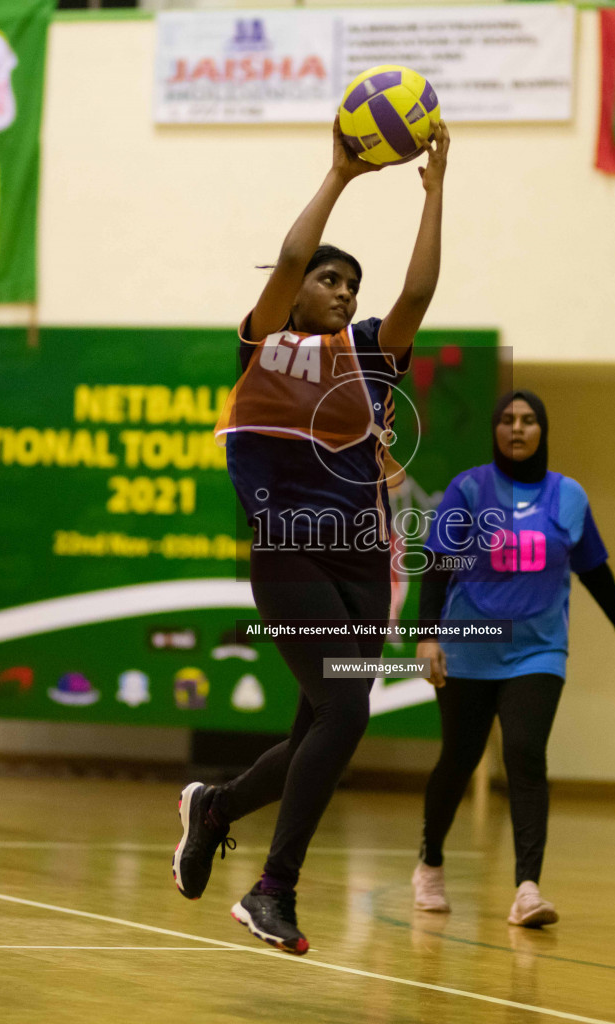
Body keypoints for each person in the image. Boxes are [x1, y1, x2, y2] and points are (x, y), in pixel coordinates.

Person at [170, 118, 451, 955]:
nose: (343, 292)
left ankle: (214, 807)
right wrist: (340, 176)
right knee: (345, 708)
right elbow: (291, 259)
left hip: (364, 563)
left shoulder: (368, 355)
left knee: (319, 730)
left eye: (350, 285)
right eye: (330, 280)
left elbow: (419, 296)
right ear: (295, 292)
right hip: (288, 551)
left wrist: (435, 195)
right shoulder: (263, 341)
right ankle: (271, 889)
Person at [410, 390, 615, 927]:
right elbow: (434, 564)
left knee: (525, 753)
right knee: (459, 757)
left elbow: (593, 569)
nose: (517, 429)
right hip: (468, 646)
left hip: (539, 650)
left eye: (527, 421)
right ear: (495, 430)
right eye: (507, 420)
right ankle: (429, 865)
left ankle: (527, 889)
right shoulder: (469, 488)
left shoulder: (568, 496)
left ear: (542, 430)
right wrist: (426, 636)